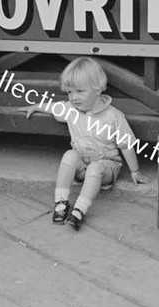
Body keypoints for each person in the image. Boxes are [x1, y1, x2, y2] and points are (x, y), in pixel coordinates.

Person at [18, 57, 149, 231]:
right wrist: (35, 106)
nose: (74, 97)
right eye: (69, 92)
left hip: (106, 167)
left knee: (95, 168)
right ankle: (61, 203)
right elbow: (52, 107)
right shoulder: (70, 109)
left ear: (97, 89)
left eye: (80, 91)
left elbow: (126, 145)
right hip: (82, 167)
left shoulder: (113, 116)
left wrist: (135, 170)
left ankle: (79, 210)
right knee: (69, 155)